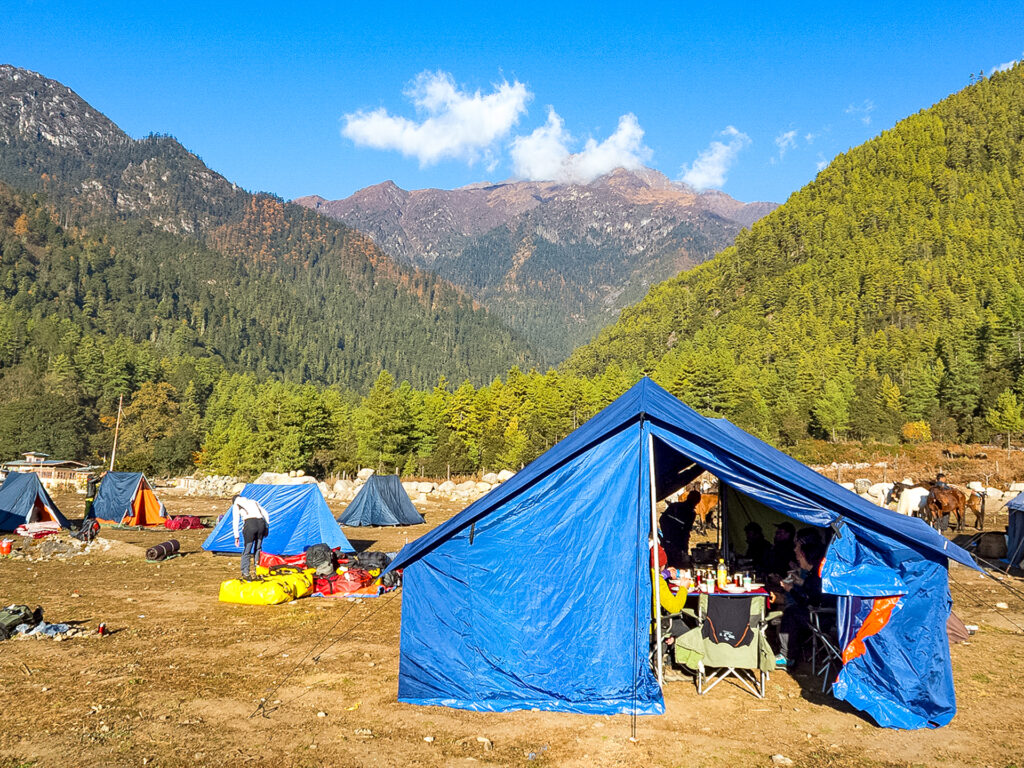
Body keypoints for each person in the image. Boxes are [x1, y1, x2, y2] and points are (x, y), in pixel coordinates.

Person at [774, 534, 829, 668]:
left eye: (799, 557)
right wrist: (799, 582)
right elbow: (811, 591)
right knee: (791, 611)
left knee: (791, 613)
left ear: (804, 556)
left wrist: (790, 589)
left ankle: (787, 656)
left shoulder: (816, 575)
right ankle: (787, 654)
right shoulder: (816, 573)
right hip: (822, 614)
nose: (797, 560)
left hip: (823, 617)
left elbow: (807, 601)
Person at [230, 495, 270, 580]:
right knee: (258, 548)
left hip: (250, 524)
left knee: (247, 549)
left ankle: (246, 573)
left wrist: (236, 536)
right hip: (261, 524)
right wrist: (266, 527)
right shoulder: (253, 501)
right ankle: (258, 571)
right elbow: (265, 513)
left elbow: (235, 520)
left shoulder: (237, 503)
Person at [660, 491, 699, 567]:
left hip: (670, 541)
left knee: (670, 563)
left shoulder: (674, 506)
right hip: (676, 543)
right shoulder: (690, 513)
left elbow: (662, 520)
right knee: (676, 564)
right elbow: (686, 532)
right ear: (697, 502)